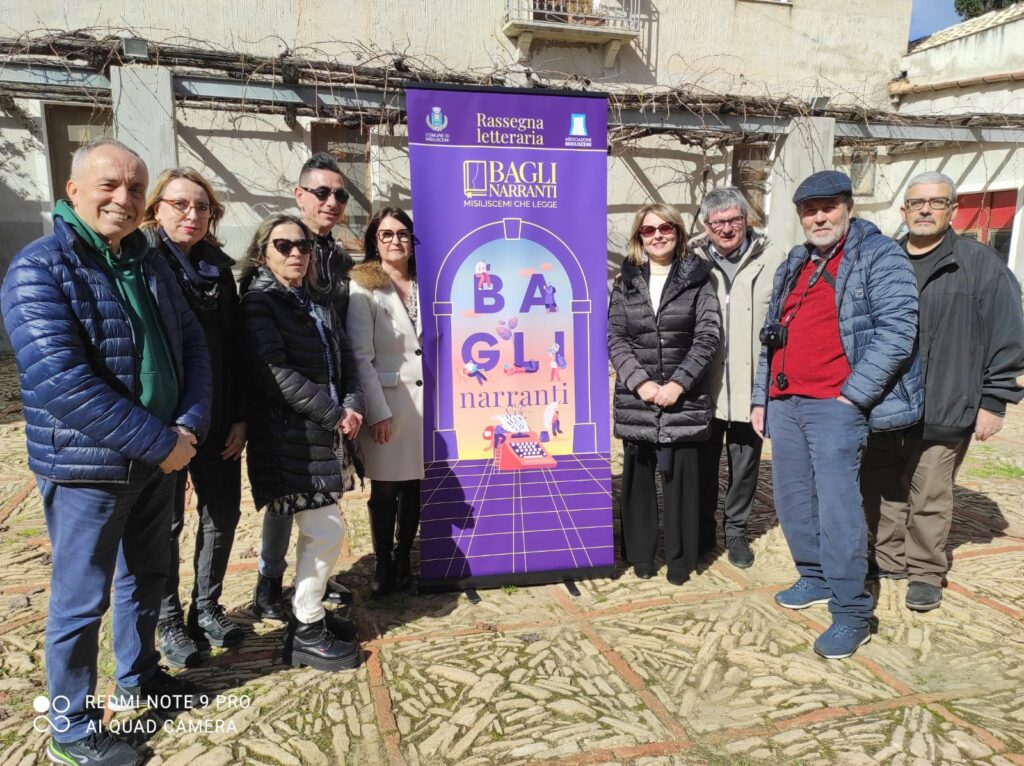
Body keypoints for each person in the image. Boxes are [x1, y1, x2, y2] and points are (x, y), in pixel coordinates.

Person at [1, 138, 211, 766]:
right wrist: (162, 442)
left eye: (136, 188)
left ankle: (140, 678)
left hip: (160, 459)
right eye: (109, 185)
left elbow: (193, 347)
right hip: (88, 468)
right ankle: (70, 730)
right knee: (79, 600)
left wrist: (187, 427)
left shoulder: (149, 264)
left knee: (147, 579)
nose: (124, 198)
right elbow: (60, 381)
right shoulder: (38, 269)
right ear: (73, 191)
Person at [750, 170, 922, 660]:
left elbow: (898, 331)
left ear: (848, 207)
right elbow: (772, 335)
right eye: (810, 210)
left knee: (838, 509)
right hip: (787, 402)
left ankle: (852, 611)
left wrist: (853, 397)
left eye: (828, 208)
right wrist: (762, 397)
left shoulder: (878, 255)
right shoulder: (796, 261)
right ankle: (814, 576)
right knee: (792, 501)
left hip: (835, 405)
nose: (819, 218)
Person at [862, 171, 1024, 612]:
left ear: (952, 210)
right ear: (904, 210)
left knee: (929, 494)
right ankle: (887, 558)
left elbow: (1008, 335)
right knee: (880, 488)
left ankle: (925, 572)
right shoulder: (884, 260)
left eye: (936, 202)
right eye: (917, 203)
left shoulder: (980, 264)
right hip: (886, 403)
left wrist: (994, 401)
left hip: (946, 401)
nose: (925, 210)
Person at [238, 214, 364, 671]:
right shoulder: (260, 303)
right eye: (284, 245)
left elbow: (344, 357)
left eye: (304, 246)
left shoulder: (313, 301)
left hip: (318, 436)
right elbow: (275, 374)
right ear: (263, 253)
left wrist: (352, 402)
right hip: (286, 438)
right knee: (327, 530)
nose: (296, 253)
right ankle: (307, 625)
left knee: (319, 530)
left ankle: (306, 618)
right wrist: (334, 413)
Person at [142, 168, 246, 668]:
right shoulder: (143, 263)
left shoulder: (218, 270)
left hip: (219, 416)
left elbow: (235, 346)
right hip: (165, 421)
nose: (192, 214)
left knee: (222, 514)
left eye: (202, 207)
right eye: (180, 204)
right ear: (156, 209)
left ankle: (206, 607)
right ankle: (167, 619)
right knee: (165, 524)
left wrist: (240, 416)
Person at [253, 153, 357, 619]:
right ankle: (269, 583)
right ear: (300, 195)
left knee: (321, 497)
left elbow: (338, 327)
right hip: (291, 406)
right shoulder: (279, 247)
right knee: (285, 499)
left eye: (340, 194)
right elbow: (268, 361)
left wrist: (347, 397)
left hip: (328, 390)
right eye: (321, 192)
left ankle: (312, 578)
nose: (331, 201)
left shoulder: (337, 255)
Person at [608, 203, 721, 585]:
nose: (657, 235)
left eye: (666, 228)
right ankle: (641, 556)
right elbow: (616, 337)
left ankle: (678, 560)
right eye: (649, 229)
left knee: (681, 487)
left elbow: (707, 337)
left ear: (678, 232)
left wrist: (678, 384)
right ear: (639, 237)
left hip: (683, 401)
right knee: (638, 482)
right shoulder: (625, 282)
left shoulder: (699, 279)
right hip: (637, 399)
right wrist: (640, 383)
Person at [691, 187, 783, 568]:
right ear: (706, 226)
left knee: (744, 467)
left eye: (734, 220)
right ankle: (703, 529)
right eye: (718, 223)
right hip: (705, 387)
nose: (727, 229)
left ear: (747, 220)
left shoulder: (774, 259)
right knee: (702, 465)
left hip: (752, 386)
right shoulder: (693, 262)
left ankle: (736, 532)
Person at [346, 208, 425, 597]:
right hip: (389, 402)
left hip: (428, 403)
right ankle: (383, 562)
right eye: (387, 234)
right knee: (386, 489)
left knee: (415, 485)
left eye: (403, 233)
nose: (396, 241)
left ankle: (403, 556)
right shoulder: (363, 287)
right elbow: (361, 357)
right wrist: (377, 412)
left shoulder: (428, 282)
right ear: (374, 242)